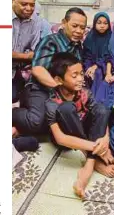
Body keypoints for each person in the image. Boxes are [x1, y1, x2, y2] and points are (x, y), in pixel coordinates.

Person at [44, 52, 114, 199]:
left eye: (81, 74)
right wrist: (98, 149)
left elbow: (101, 115)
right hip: (67, 140)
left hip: (84, 134)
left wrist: (106, 139)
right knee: (67, 108)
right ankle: (93, 164)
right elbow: (60, 138)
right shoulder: (51, 102)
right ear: (58, 80)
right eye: (74, 76)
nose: (81, 79)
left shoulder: (84, 93)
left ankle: (89, 163)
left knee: (102, 109)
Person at [12, 7, 87, 136]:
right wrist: (59, 88)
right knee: (35, 122)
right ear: (64, 23)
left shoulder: (77, 46)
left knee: (64, 122)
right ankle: (14, 112)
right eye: (74, 26)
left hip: (63, 93)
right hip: (39, 89)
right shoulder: (50, 41)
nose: (78, 31)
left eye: (82, 28)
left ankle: (22, 129)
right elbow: (38, 70)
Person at [12, 0, 50, 103]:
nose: (29, 8)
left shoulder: (38, 22)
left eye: (32, 5)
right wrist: (26, 56)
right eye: (24, 4)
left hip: (24, 74)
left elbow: (40, 53)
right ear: (12, 0)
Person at [83, 12, 112, 90]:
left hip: (107, 65)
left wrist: (96, 66)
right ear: (94, 23)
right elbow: (86, 56)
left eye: (105, 23)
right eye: (99, 23)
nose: (102, 26)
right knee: (87, 73)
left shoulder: (111, 38)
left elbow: (109, 56)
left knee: (98, 73)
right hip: (91, 64)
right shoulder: (90, 37)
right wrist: (88, 67)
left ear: (109, 25)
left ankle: (97, 100)